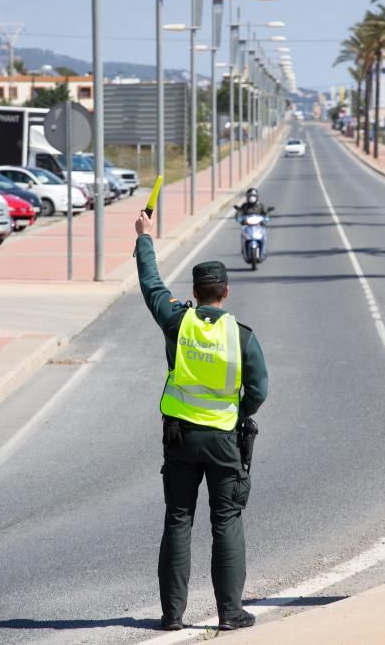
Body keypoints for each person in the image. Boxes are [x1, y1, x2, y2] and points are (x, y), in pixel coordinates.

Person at [134, 210, 268, 632]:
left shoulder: (178, 321)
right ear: (225, 292)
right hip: (224, 439)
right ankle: (230, 613)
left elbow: (151, 284)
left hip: (179, 438)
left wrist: (145, 237)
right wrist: (237, 413)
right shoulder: (241, 335)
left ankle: (171, 615)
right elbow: (259, 391)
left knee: (178, 517)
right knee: (226, 520)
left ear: (194, 291)